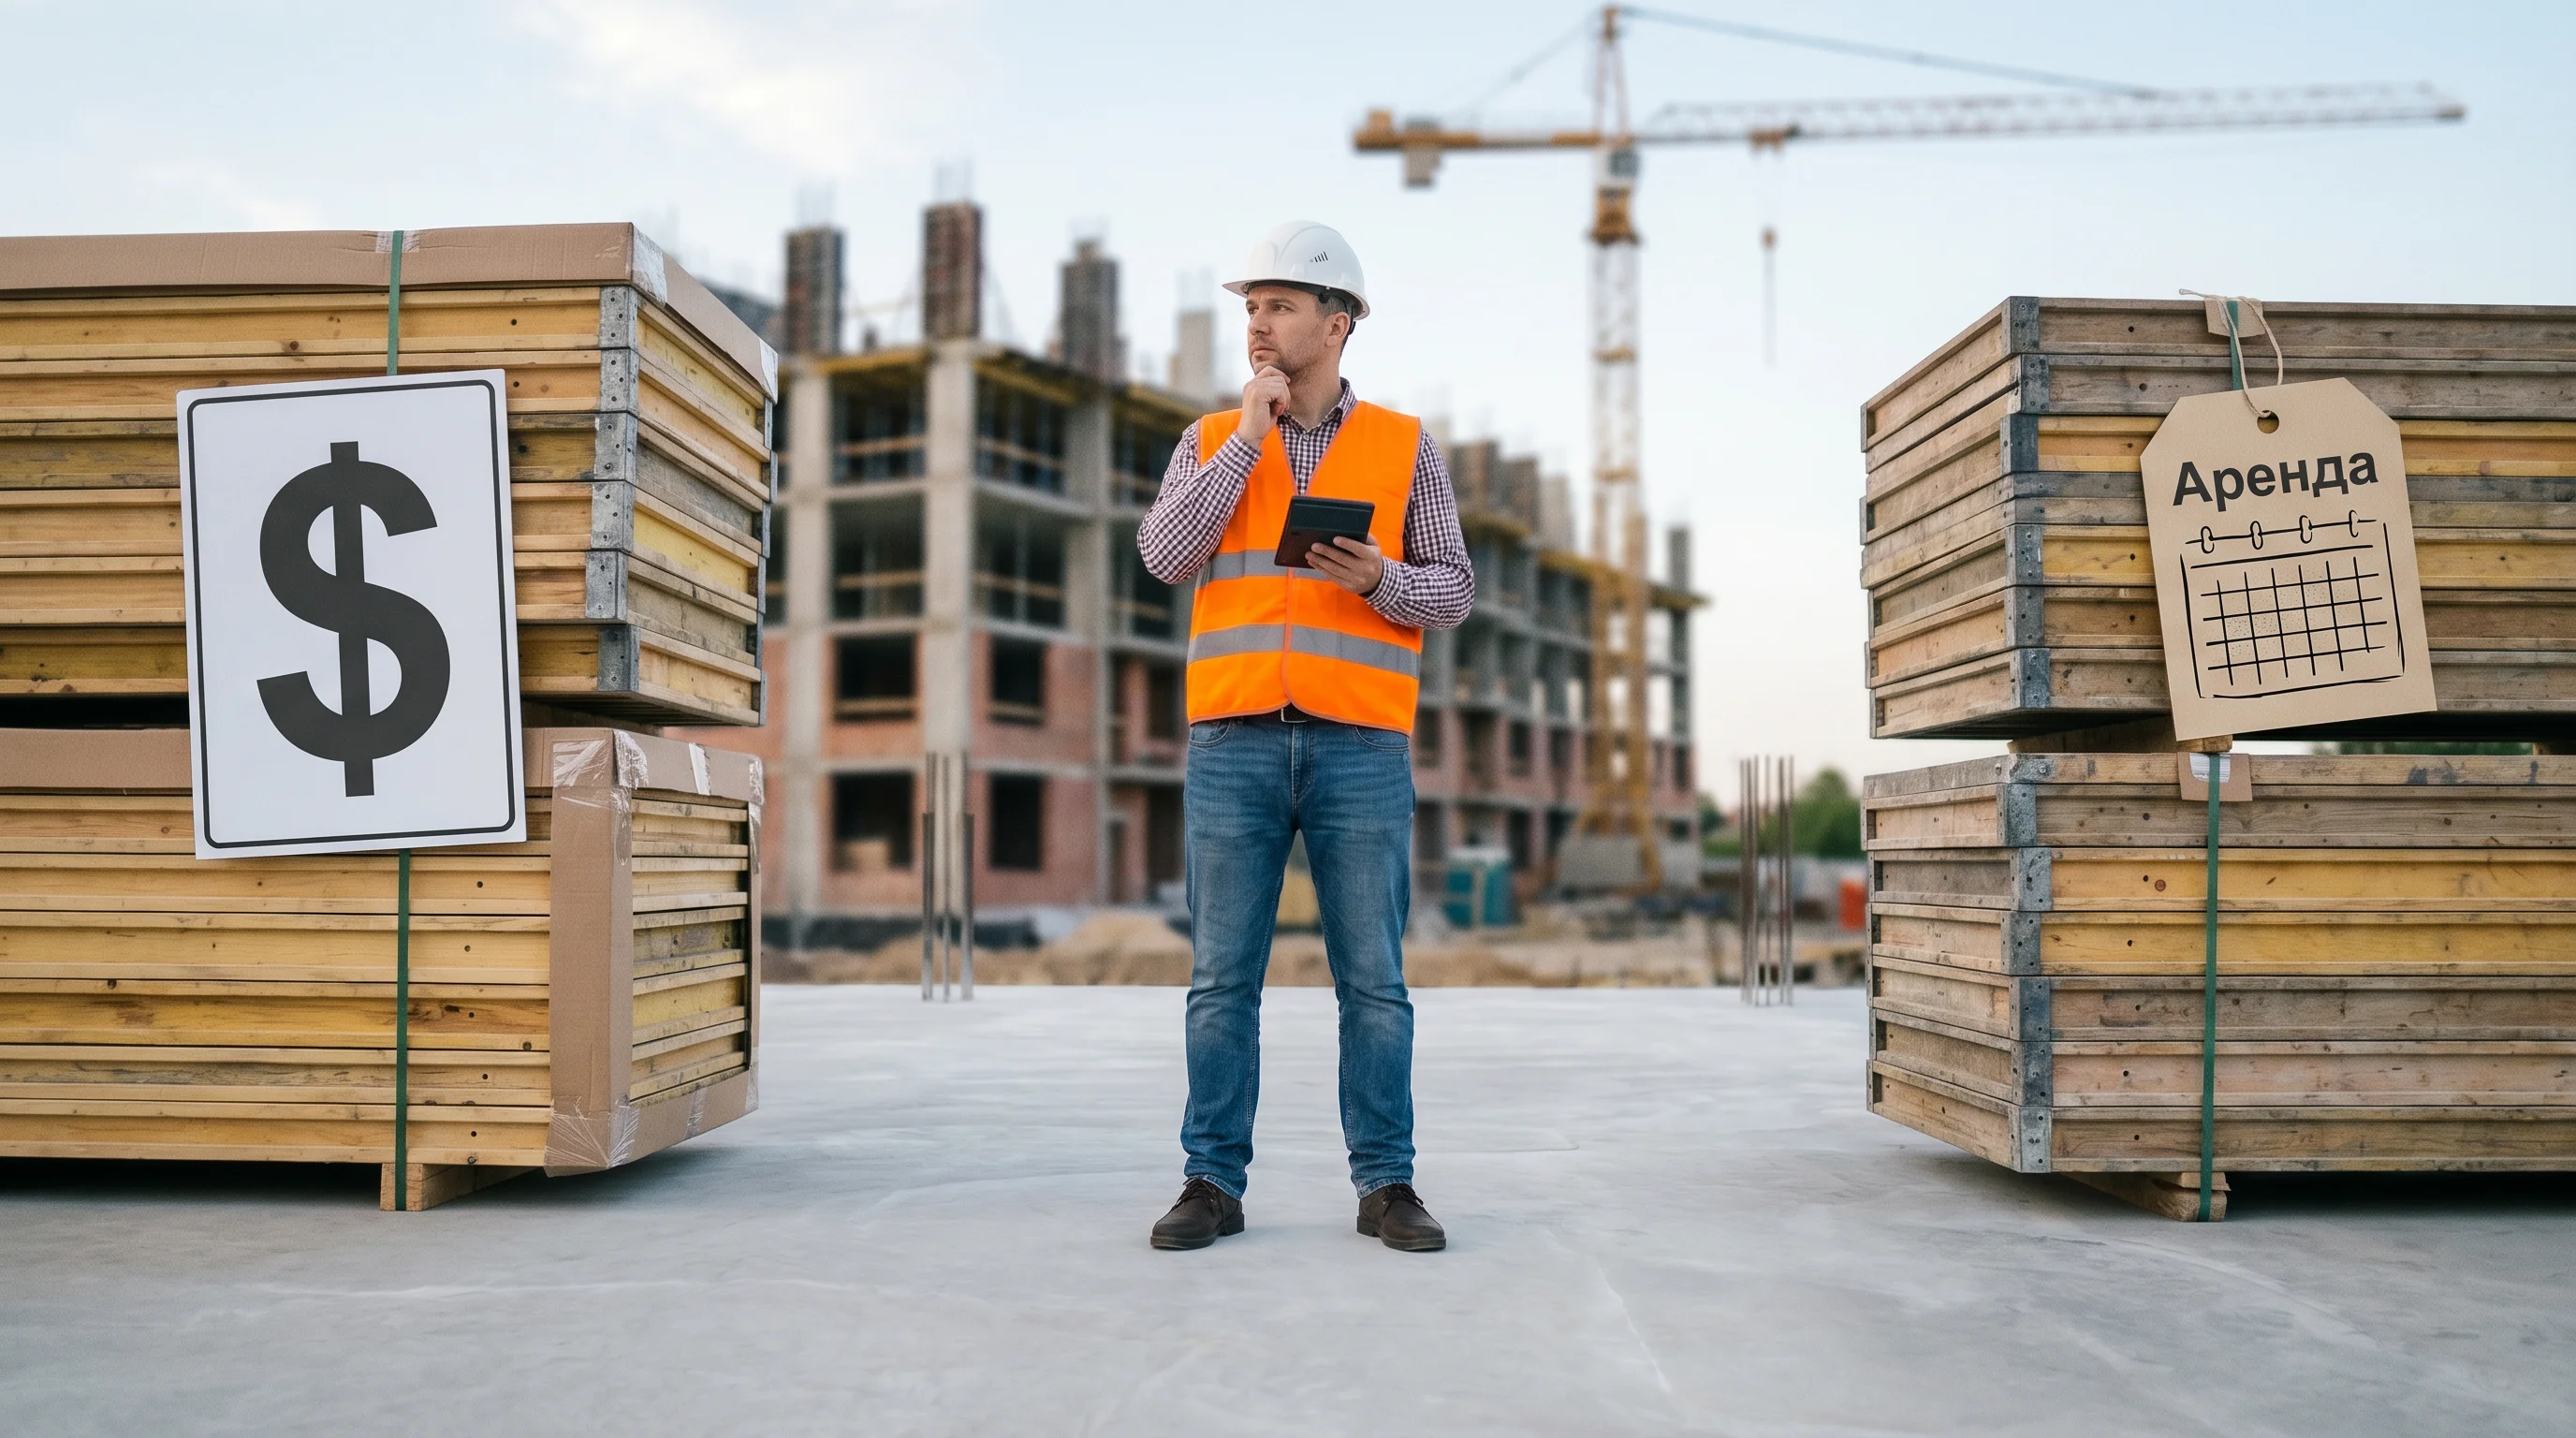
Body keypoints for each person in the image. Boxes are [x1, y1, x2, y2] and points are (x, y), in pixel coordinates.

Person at [1135, 221, 1474, 1253]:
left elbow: (1453, 590)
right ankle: (1210, 1183)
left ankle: (1386, 1186)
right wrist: (1248, 437)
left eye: (1279, 307)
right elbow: (1164, 554)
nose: (1259, 325)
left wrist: (1379, 578)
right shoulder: (1207, 440)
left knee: (1371, 981)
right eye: (1250, 308)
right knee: (1218, 982)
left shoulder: (1405, 446)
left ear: (1336, 324)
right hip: (1233, 740)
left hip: (1359, 748)